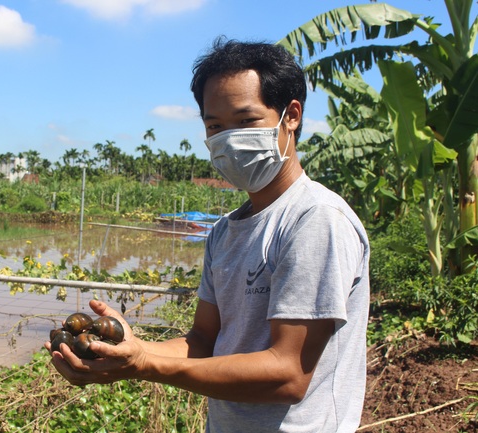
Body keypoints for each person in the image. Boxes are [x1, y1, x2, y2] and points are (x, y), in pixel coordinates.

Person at [46, 38, 370, 433]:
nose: (229, 139)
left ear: (291, 116)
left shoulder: (316, 219)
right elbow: (201, 341)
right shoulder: (224, 232)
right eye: (216, 126)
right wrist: (126, 348)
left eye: (246, 121)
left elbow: (288, 374)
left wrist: (146, 366)